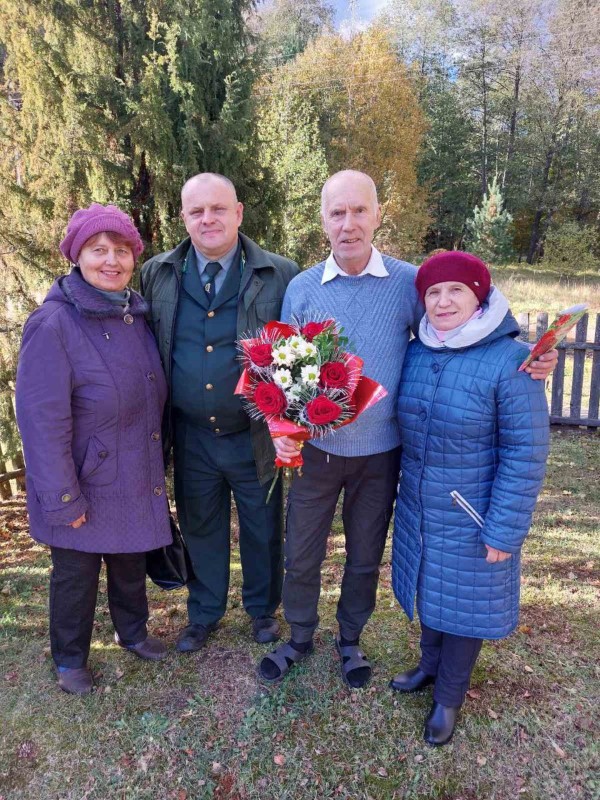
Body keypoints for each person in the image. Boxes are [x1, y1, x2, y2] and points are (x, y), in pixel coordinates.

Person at [259, 170, 556, 689]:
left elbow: (468, 322)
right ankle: (300, 635)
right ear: (323, 220)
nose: (348, 224)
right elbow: (282, 373)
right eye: (337, 213)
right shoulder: (302, 288)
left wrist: (528, 353)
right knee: (301, 553)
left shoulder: (409, 283)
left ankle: (350, 639)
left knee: (364, 555)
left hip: (382, 453)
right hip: (317, 453)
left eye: (359, 211)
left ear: (377, 215)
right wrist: (278, 426)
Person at [389, 251, 550, 746]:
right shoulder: (417, 351)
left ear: (479, 296)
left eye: (455, 290)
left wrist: (504, 528)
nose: (443, 301)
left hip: (473, 512)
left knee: (465, 603)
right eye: (433, 292)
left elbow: (525, 451)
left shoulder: (511, 361)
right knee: (430, 588)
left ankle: (449, 697)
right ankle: (428, 666)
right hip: (420, 505)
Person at [16, 204, 172, 696]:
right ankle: (69, 659)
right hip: (81, 476)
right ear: (76, 256)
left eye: (122, 250)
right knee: (75, 574)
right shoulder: (53, 323)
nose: (111, 260)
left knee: (130, 557)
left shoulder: (135, 315)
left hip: (132, 467)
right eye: (98, 250)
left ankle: (133, 632)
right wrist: (63, 497)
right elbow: (41, 422)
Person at [140, 173, 299, 653]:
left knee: (261, 524)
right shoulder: (157, 273)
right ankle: (204, 612)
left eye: (218, 209)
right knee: (200, 525)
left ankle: (262, 610)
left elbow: (301, 348)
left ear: (238, 213)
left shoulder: (280, 273)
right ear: (183, 217)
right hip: (191, 434)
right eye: (196, 211)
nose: (207, 219)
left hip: (254, 433)